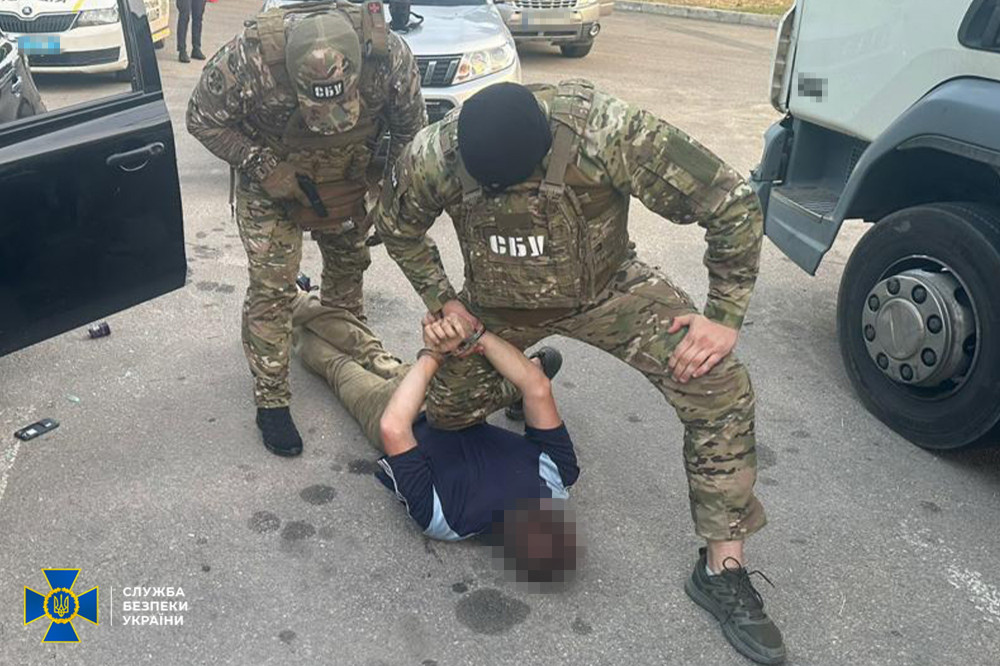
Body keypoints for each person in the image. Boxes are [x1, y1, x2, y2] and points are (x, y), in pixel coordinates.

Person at [373, 81, 785, 664]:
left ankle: (723, 570)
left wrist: (723, 315)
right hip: (498, 307)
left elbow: (730, 201)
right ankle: (528, 375)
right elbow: (396, 225)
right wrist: (444, 301)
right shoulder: (435, 154)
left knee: (719, 389)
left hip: (608, 292)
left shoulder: (604, 131)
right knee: (445, 415)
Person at [187, 2, 426, 457]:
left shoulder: (388, 57)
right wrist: (263, 166)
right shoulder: (249, 59)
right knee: (273, 287)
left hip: (349, 174)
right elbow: (201, 118)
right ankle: (272, 400)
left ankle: (346, 351)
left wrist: (390, 192)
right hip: (274, 180)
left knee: (349, 263)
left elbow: (411, 129)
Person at [291, 293, 580, 583]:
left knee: (350, 359)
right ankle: (288, 304)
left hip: (404, 403)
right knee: (352, 360)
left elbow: (394, 427)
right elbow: (537, 387)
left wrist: (438, 353)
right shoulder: (451, 521)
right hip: (439, 399)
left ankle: (286, 305)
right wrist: (470, 335)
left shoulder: (450, 519)